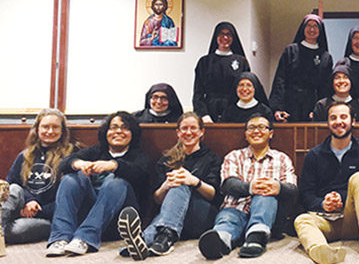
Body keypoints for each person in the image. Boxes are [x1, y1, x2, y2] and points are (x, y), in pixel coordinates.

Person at [46, 111, 152, 257]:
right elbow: (64, 163)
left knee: (115, 183)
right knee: (71, 179)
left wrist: (113, 165)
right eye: (113, 127)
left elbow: (140, 173)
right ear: (106, 132)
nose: (118, 131)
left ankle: (84, 238)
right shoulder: (96, 151)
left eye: (124, 127)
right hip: (88, 213)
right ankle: (60, 238)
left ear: (132, 133)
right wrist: (79, 163)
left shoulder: (140, 156)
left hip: (119, 221)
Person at [118, 112, 222, 260]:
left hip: (201, 216)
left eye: (193, 128)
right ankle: (147, 240)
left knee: (180, 183)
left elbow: (214, 195)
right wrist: (166, 185)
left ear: (201, 132)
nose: (188, 132)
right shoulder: (166, 160)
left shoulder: (212, 158)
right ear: (178, 132)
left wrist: (194, 181)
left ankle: (155, 236)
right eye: (184, 128)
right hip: (171, 215)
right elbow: (157, 199)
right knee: (175, 186)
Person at [198, 113, 297, 259]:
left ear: (271, 133)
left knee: (265, 191)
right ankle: (220, 241)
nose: (256, 131)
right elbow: (228, 184)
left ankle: (256, 237)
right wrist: (251, 187)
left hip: (269, 214)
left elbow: (293, 190)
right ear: (245, 135)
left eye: (262, 127)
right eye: (251, 128)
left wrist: (278, 187)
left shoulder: (282, 159)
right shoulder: (234, 156)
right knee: (227, 220)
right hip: (236, 208)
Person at [295, 102, 359, 264]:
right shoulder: (314, 155)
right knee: (301, 220)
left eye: (343, 117)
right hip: (325, 219)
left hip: (353, 219)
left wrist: (341, 199)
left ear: (352, 121)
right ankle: (321, 251)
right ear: (328, 123)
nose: (338, 121)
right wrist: (323, 204)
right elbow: (305, 195)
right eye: (333, 118)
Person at [1, 108, 76, 244]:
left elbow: (70, 197)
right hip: (22, 208)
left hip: (47, 216)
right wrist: (29, 201)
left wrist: (37, 211)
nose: (50, 131)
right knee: (13, 189)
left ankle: (2, 232)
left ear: (62, 131)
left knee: (17, 230)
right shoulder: (25, 155)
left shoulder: (70, 156)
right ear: (37, 129)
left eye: (55, 127)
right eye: (45, 127)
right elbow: (10, 184)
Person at [193, 21, 268, 123]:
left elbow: (246, 89)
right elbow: (198, 93)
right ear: (216, 36)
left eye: (228, 34)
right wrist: (203, 114)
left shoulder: (241, 61)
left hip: (235, 111)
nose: (225, 38)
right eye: (221, 34)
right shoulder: (204, 62)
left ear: (233, 38)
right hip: (209, 112)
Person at [270, 14, 333, 122]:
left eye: (315, 26)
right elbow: (280, 80)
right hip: (290, 104)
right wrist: (277, 108)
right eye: (308, 25)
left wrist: (320, 109)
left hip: (313, 105)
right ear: (303, 28)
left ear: (320, 30)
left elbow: (326, 87)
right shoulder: (290, 51)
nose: (312, 29)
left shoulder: (326, 57)